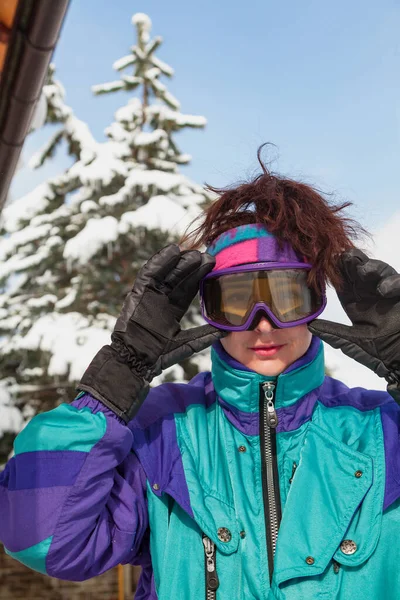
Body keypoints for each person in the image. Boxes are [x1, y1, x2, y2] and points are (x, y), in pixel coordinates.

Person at [1, 151, 400, 600]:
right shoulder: (161, 432)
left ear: (316, 300)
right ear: (208, 309)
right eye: (237, 301)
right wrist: (112, 384)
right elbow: (44, 541)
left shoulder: (382, 429)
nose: (263, 323)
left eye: (287, 297)